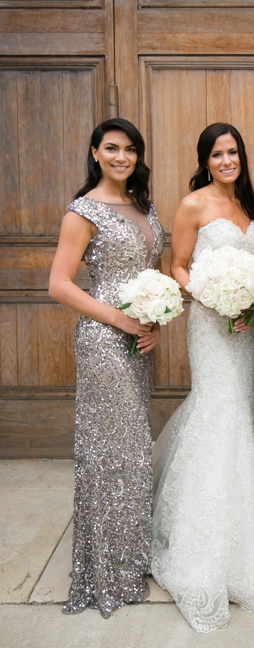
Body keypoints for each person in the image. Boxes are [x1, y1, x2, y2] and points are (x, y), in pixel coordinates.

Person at [151, 123, 254, 632]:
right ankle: (200, 548)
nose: (227, 160)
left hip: (245, 327)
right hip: (209, 322)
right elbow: (178, 265)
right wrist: (210, 294)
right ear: (205, 160)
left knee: (236, 412)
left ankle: (241, 535)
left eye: (233, 152)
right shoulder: (193, 204)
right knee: (218, 408)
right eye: (217, 154)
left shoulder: (250, 209)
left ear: (241, 157)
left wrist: (252, 300)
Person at [49, 118, 165, 618]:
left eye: (131, 150)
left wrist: (155, 320)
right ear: (95, 152)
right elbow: (59, 283)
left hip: (139, 342)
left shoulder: (144, 206)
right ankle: (104, 569)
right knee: (110, 451)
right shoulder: (83, 210)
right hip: (103, 340)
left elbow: (151, 273)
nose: (122, 157)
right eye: (112, 148)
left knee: (133, 450)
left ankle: (129, 558)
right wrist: (119, 318)